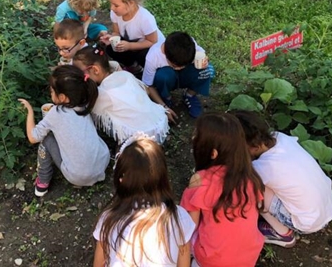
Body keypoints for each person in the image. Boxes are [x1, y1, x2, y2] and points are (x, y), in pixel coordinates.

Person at [232, 110, 332, 247]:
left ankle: (282, 234)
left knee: (252, 187)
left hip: (306, 222)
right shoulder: (280, 138)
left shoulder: (264, 167)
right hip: (326, 209)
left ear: (253, 147)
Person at [93, 135, 195, 267]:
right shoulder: (180, 217)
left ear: (122, 179)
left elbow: (98, 264)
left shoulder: (108, 219)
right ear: (163, 177)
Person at [180, 113, 264, 267]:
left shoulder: (200, 180)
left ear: (213, 153)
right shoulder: (250, 176)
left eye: (197, 137)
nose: (193, 139)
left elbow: (187, 228)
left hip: (212, 260)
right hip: (248, 257)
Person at [18, 65, 110, 196]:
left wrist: (30, 112)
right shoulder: (84, 103)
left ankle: (42, 182)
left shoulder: (55, 113)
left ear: (62, 98)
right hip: (102, 163)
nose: (50, 94)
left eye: (51, 92)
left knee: (47, 140)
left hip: (78, 176)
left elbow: (33, 138)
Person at [73, 45, 175, 144]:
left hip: (143, 136)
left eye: (79, 73)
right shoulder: (125, 74)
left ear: (95, 70)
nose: (78, 77)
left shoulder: (102, 93)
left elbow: (88, 110)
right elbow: (146, 90)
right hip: (160, 123)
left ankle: (124, 146)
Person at [142, 31, 214, 118]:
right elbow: (148, 86)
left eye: (184, 65)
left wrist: (205, 61)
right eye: (175, 66)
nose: (180, 68)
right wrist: (164, 107)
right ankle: (165, 98)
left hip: (186, 75)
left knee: (208, 70)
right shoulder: (153, 57)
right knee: (162, 76)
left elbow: (203, 55)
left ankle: (189, 95)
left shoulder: (189, 45)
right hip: (168, 78)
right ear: (165, 54)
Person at [100, 0, 164, 73]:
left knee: (144, 56)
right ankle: (133, 66)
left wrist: (129, 46)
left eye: (116, 5)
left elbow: (152, 41)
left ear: (131, 3)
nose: (112, 8)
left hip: (150, 47)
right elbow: (116, 32)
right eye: (111, 4)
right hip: (131, 44)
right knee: (111, 48)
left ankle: (150, 71)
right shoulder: (115, 13)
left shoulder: (145, 18)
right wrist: (111, 39)